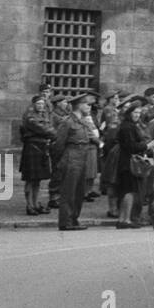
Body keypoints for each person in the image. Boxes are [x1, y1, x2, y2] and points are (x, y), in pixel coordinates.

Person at [51, 92, 99, 230]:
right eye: (87, 104)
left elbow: (90, 138)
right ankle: (65, 221)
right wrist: (60, 162)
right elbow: (59, 144)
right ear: (78, 105)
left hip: (82, 156)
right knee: (69, 192)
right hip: (71, 156)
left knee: (79, 192)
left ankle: (74, 219)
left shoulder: (83, 122)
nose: (90, 107)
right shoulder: (68, 122)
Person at [20, 93, 55, 216]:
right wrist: (56, 135)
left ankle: (35, 204)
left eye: (42, 104)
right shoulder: (30, 117)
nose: (41, 106)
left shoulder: (44, 115)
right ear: (33, 105)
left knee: (38, 180)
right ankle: (29, 205)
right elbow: (44, 129)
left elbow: (49, 128)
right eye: (38, 103)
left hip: (42, 148)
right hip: (32, 148)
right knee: (30, 179)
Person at [116, 100, 150, 229]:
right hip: (128, 162)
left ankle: (124, 219)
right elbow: (131, 146)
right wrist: (146, 145)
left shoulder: (129, 125)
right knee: (129, 191)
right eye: (135, 112)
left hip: (127, 161)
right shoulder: (127, 127)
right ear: (129, 113)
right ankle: (125, 220)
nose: (137, 115)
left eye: (139, 113)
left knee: (128, 190)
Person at [98, 94, 123, 218]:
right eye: (115, 98)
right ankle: (104, 187)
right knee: (110, 170)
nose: (117, 100)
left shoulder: (115, 111)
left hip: (113, 142)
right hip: (111, 142)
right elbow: (110, 126)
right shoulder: (109, 110)